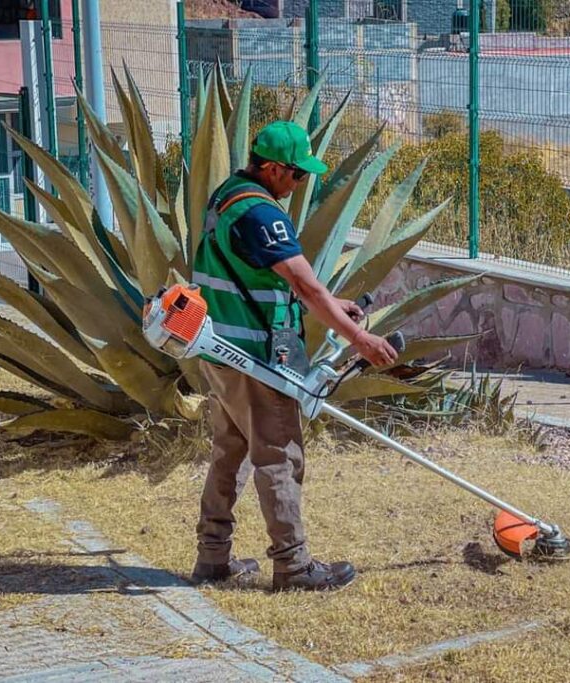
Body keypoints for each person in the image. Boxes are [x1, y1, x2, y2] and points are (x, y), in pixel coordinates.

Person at [190, 120, 398, 592]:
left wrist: (332, 306)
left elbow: (262, 275)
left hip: (219, 346)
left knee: (230, 452)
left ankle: (212, 559)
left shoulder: (228, 195)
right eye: (297, 174)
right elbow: (304, 282)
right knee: (279, 455)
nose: (300, 183)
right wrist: (359, 339)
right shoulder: (263, 215)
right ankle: (294, 566)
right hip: (256, 358)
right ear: (273, 168)